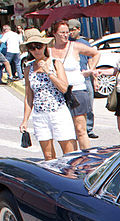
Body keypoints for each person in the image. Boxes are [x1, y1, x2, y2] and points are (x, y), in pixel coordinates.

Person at [19, 28, 77, 160]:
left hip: (58, 112)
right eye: (32, 48)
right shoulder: (28, 68)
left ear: (45, 46)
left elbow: (64, 87)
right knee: (48, 156)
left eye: (38, 46)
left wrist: (49, 72)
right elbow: (29, 96)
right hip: (40, 115)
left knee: (69, 154)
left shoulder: (55, 63)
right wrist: (25, 120)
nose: (36, 51)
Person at [48, 19, 100, 149]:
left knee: (80, 129)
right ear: (54, 33)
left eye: (67, 32)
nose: (66, 35)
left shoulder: (74, 46)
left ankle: (86, 160)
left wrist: (90, 69)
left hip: (76, 90)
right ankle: (73, 159)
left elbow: (95, 53)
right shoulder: (49, 50)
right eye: (62, 33)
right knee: (65, 130)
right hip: (58, 93)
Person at [67, 19, 97, 138]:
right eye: (68, 30)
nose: (70, 33)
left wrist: (92, 72)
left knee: (88, 104)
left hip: (85, 77)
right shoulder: (66, 43)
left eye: (72, 30)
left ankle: (88, 128)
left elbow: (92, 58)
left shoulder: (84, 43)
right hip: (71, 77)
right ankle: (74, 128)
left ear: (78, 29)